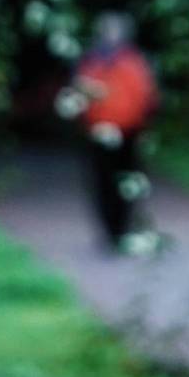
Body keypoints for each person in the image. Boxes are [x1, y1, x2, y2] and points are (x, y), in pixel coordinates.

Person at [61, 13, 161, 247]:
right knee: (102, 182)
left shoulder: (135, 62)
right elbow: (79, 95)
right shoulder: (91, 62)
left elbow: (147, 97)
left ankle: (123, 227)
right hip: (99, 132)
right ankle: (110, 230)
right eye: (108, 30)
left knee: (125, 183)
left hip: (129, 133)